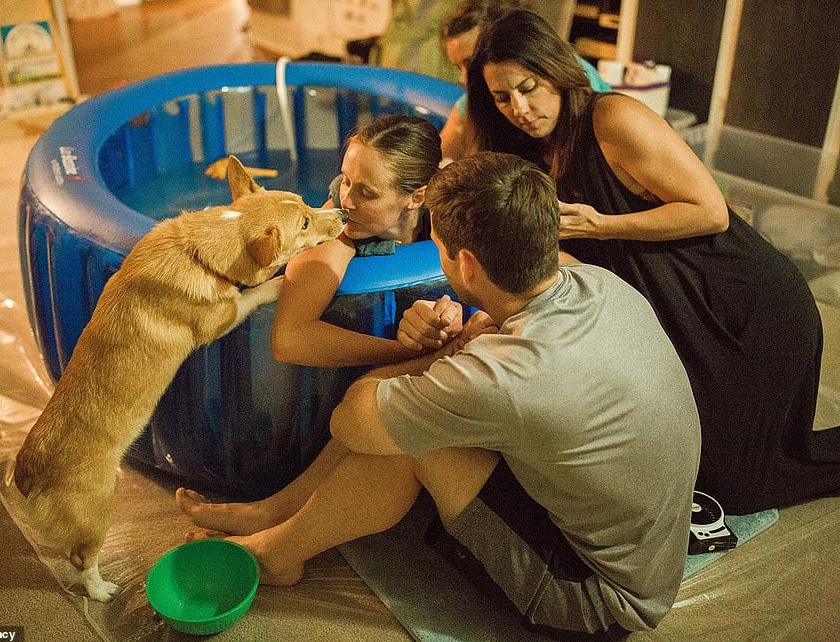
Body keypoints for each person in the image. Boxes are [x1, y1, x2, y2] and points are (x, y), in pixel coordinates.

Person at [178, 153, 701, 637]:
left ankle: (276, 552)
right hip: (644, 548)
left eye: (441, 250)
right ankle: (274, 513)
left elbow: (351, 421)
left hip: (593, 597)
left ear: (466, 265)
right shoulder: (600, 285)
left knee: (407, 436)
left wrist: (434, 359)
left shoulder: (507, 379)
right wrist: (475, 332)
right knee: (414, 415)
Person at [466, 8, 840, 514]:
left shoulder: (613, 118)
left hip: (745, 306)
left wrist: (602, 224)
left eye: (528, 86)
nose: (519, 107)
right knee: (692, 468)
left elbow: (711, 212)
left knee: (739, 485)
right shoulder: (534, 148)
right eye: (502, 97)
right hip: (676, 312)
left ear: (555, 70)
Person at [270, 113, 457, 368]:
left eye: (367, 193)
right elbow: (289, 339)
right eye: (346, 180)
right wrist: (406, 353)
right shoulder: (335, 228)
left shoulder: (449, 213)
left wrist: (452, 316)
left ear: (417, 197)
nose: (346, 201)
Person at [439, 0, 610, 161]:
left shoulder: (575, 85)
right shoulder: (480, 99)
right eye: (458, 67)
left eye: (472, 62)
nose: (464, 78)